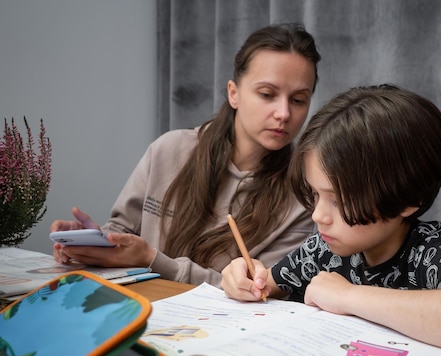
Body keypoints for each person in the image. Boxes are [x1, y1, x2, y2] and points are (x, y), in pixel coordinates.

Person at [221, 84, 441, 356]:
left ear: (406, 199)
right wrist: (245, 279)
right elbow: (265, 284)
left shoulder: (433, 249)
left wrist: (349, 296)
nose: (318, 216)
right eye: (315, 194)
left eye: (337, 200)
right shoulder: (323, 250)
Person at [50, 23, 321, 286]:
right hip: (135, 309)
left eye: (298, 100)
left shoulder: (303, 193)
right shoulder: (168, 150)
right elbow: (122, 232)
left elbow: (264, 289)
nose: (284, 113)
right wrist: (93, 244)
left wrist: (153, 259)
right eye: (267, 94)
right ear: (234, 94)